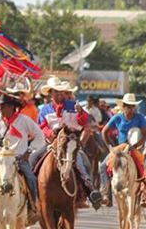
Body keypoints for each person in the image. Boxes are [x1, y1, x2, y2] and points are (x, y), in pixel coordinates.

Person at [36, 79, 103, 207]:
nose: (60, 94)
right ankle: (33, 196)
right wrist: (50, 133)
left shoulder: (73, 105)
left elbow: (84, 122)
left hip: (70, 143)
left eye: (61, 91)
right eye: (56, 91)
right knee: (33, 160)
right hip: (52, 143)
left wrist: (80, 112)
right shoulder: (44, 110)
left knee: (81, 163)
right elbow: (42, 126)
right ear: (51, 93)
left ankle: (90, 191)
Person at [0, 90, 44, 210]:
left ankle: (33, 206)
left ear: (11, 107)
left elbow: (39, 136)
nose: (0, 109)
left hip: (19, 159)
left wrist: (29, 151)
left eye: (3, 106)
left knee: (30, 178)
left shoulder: (24, 120)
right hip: (0, 159)